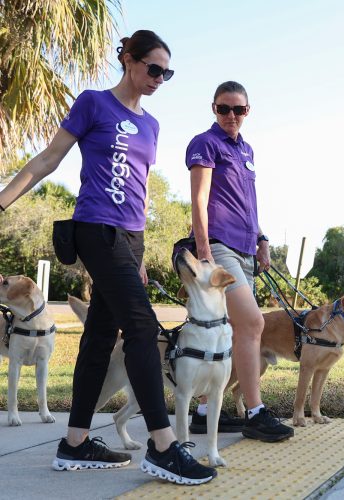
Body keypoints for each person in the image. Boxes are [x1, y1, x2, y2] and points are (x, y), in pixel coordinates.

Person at [0, 30, 216, 485]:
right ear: (128, 60)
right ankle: (162, 446)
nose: (159, 78)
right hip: (96, 230)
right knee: (140, 326)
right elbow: (48, 159)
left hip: (128, 239)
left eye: (167, 72)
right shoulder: (94, 104)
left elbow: (139, 192)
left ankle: (74, 441)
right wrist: (3, 200)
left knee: (100, 335)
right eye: (153, 68)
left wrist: (138, 253)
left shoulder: (152, 126)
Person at [185, 81, 294, 442]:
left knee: (229, 332)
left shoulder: (246, 149)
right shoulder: (205, 144)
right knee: (252, 324)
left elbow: (247, 203)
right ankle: (255, 412)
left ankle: (203, 411)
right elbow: (199, 201)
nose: (231, 116)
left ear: (248, 111)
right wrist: (204, 255)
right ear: (213, 109)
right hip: (219, 246)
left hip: (247, 248)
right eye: (224, 109)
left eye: (239, 110)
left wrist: (262, 239)